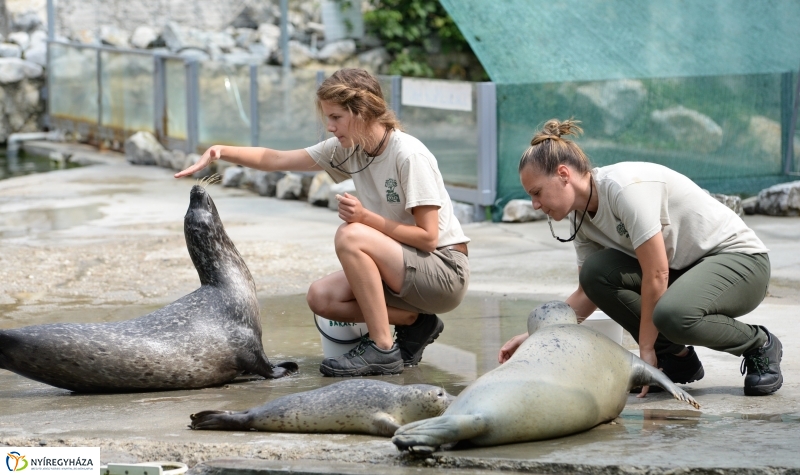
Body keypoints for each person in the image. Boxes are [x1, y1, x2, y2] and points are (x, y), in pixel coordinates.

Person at [175, 68, 470, 377]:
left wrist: (365, 218)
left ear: (362, 112)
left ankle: (383, 349)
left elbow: (427, 238)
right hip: (404, 267)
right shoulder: (350, 149)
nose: (330, 127)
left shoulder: (408, 155)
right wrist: (220, 151)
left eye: (336, 117)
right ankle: (416, 322)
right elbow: (276, 159)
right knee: (322, 297)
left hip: (443, 272)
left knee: (351, 235)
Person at [497, 118, 782, 397]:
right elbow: (587, 293)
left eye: (537, 193)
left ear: (563, 175)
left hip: (741, 262)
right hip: (684, 269)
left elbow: (657, 274)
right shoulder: (580, 218)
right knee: (596, 273)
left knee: (673, 315)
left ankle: (759, 344)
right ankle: (677, 360)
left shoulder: (623, 189)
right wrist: (535, 336)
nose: (535, 205)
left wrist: (645, 348)